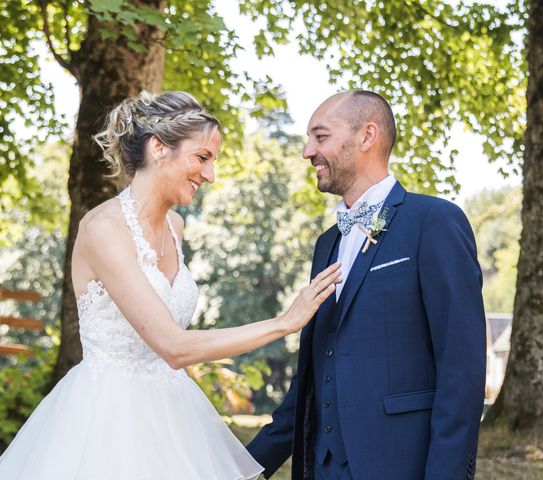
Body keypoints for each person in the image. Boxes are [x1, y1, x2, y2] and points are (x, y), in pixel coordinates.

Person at [0, 91, 341, 480]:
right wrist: (285, 322)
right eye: (202, 158)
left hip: (173, 413)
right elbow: (174, 347)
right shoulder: (103, 229)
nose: (210, 175)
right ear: (159, 148)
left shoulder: (176, 227)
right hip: (107, 422)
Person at [247, 91, 486, 480]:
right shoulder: (326, 244)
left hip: (400, 465)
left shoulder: (435, 222)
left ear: (367, 135)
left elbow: (461, 369)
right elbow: (310, 380)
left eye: (320, 137)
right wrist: (241, 468)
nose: (308, 151)